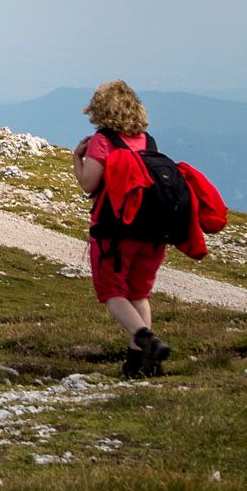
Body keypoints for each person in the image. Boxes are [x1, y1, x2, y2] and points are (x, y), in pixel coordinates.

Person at [76, 79, 176, 377]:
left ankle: (145, 338)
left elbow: (89, 184)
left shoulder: (103, 141)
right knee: (139, 293)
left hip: (115, 234)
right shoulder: (148, 141)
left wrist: (76, 158)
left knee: (113, 293)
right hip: (154, 233)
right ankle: (140, 365)